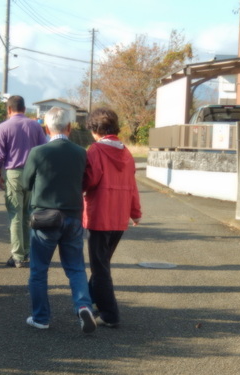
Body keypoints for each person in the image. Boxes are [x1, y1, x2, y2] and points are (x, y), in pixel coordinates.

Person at [22, 106, 96, 333]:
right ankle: (83, 305)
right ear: (70, 127)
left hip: (45, 218)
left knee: (39, 270)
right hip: (73, 215)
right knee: (75, 268)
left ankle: (41, 318)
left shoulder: (38, 152)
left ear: (46, 127)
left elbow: (25, 184)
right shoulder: (81, 153)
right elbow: (87, 181)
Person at [83, 107, 142, 328]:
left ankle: (110, 313)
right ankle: (87, 302)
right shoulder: (126, 152)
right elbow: (132, 186)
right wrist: (135, 213)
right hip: (119, 217)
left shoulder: (96, 150)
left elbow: (90, 180)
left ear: (95, 129)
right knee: (102, 264)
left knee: (100, 268)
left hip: (99, 215)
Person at [0, 95, 47, 268]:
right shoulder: (36, 126)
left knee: (15, 214)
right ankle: (26, 252)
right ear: (24, 108)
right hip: (34, 174)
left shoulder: (4, 127)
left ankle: (17, 256)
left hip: (14, 173)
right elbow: (43, 150)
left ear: (9, 109)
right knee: (28, 214)